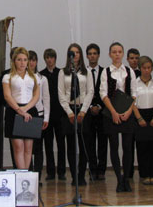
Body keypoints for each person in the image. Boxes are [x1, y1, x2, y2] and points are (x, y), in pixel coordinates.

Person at [100, 42, 138, 193]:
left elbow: (134, 93)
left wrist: (129, 111)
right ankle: (118, 179)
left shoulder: (129, 71)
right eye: (114, 52)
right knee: (114, 146)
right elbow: (103, 94)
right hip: (112, 113)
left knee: (128, 147)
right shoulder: (106, 72)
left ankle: (126, 179)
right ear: (110, 54)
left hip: (127, 112)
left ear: (123, 54)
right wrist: (113, 112)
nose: (117, 54)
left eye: (119, 52)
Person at [58, 43, 93, 186]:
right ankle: (74, 176)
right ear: (69, 55)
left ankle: (81, 175)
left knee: (84, 145)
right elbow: (61, 94)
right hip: (69, 111)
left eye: (77, 52)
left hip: (83, 110)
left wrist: (83, 111)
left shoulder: (86, 72)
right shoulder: (63, 72)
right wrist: (70, 113)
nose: (75, 55)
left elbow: (90, 92)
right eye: (72, 53)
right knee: (71, 146)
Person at [3, 47, 40, 169]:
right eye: (19, 60)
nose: (22, 63)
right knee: (18, 147)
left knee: (28, 148)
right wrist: (19, 110)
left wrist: (26, 108)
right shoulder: (8, 77)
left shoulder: (34, 77)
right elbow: (7, 96)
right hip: (14, 111)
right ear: (14, 61)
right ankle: (21, 173)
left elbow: (36, 96)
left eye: (25, 60)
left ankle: (26, 174)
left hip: (30, 110)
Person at [132, 56, 153, 185]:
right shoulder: (134, 83)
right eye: (144, 68)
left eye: (149, 68)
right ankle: (144, 174)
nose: (146, 70)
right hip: (140, 114)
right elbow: (132, 103)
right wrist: (139, 118)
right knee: (142, 146)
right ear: (140, 68)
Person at [40, 48, 66, 180]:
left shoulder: (61, 73)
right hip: (47, 115)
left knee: (61, 144)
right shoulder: (41, 75)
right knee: (48, 144)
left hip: (60, 114)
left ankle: (61, 172)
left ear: (55, 58)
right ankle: (50, 172)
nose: (49, 60)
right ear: (45, 59)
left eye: (51, 57)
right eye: (47, 57)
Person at [84, 43, 107, 181]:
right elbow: (82, 92)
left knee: (103, 142)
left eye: (94, 53)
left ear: (98, 55)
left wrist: (99, 106)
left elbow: (107, 92)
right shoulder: (83, 72)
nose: (92, 56)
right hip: (87, 112)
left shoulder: (105, 71)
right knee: (90, 142)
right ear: (87, 56)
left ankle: (102, 170)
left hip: (102, 112)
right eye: (90, 54)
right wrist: (90, 106)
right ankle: (92, 169)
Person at [28, 51, 50, 181]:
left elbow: (46, 99)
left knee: (38, 148)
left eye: (33, 60)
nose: (31, 63)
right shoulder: (21, 77)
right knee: (27, 148)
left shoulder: (42, 78)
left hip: (39, 115)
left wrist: (46, 117)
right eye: (29, 60)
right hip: (26, 115)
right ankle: (28, 175)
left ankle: (37, 176)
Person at [126, 47, 140, 180]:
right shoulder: (125, 73)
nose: (134, 60)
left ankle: (143, 171)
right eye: (132, 58)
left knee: (141, 143)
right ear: (127, 59)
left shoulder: (143, 73)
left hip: (141, 112)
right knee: (128, 145)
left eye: (136, 58)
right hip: (129, 112)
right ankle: (128, 171)